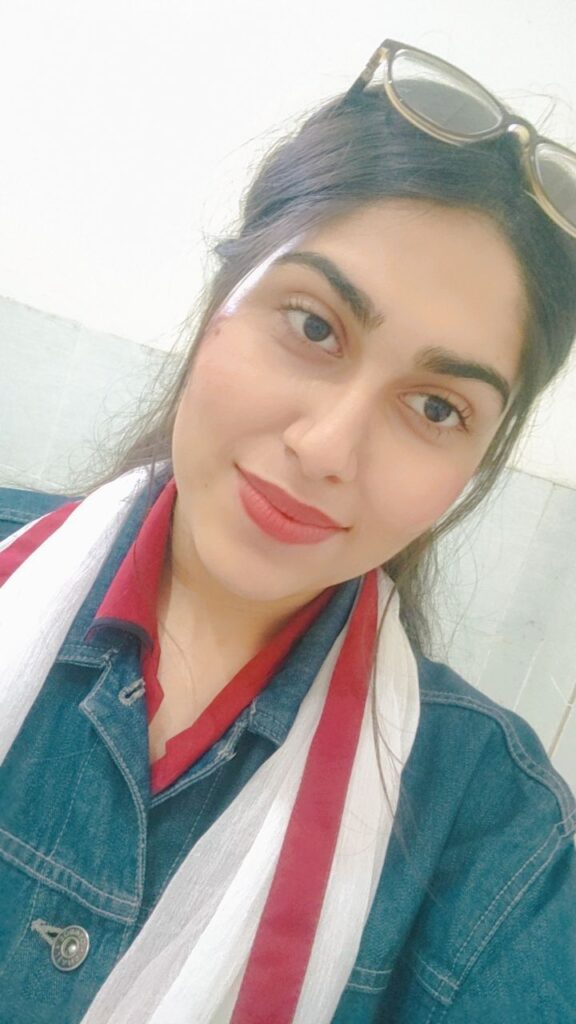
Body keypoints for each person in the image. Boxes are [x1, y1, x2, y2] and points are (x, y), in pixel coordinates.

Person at [0, 36, 575, 1024]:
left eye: (436, 407)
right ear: (220, 301)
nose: (327, 447)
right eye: (313, 326)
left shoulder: (498, 839)